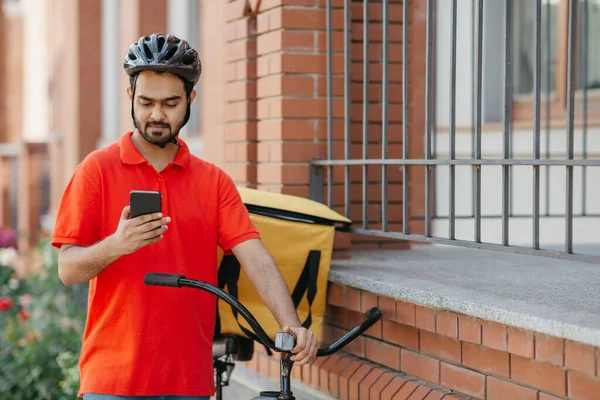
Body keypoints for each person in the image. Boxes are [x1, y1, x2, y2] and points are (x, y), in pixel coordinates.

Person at [51, 33, 319, 400]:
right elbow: (68, 270)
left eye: (170, 103)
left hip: (188, 382)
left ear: (190, 100)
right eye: (145, 102)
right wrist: (117, 244)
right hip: (111, 381)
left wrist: (290, 325)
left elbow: (255, 259)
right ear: (130, 97)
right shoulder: (96, 170)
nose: (157, 114)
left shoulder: (214, 182)